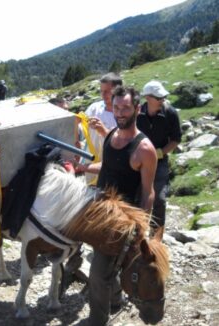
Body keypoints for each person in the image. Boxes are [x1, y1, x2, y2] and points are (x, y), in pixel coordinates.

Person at [77, 85, 157, 326]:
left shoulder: (145, 150)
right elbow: (108, 167)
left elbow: (148, 191)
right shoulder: (111, 136)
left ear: (137, 108)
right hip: (102, 213)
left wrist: (140, 230)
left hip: (123, 223)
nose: (120, 112)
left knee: (98, 275)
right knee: (104, 263)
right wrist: (84, 167)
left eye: (126, 108)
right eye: (117, 107)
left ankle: (97, 320)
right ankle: (115, 301)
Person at [137, 80, 182, 239]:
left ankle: (156, 239)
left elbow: (176, 139)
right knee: (134, 195)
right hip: (137, 161)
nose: (163, 99)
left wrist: (160, 153)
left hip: (159, 161)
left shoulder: (170, 113)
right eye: (159, 97)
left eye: (163, 96)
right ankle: (135, 235)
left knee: (160, 200)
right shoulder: (137, 113)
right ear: (148, 97)